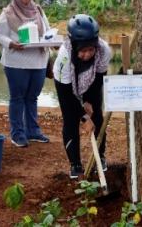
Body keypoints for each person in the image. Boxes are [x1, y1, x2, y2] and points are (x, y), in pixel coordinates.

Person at [53, 14, 111, 179]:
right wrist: (84, 117)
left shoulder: (104, 50)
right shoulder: (64, 56)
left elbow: (99, 79)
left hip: (91, 80)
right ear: (74, 45)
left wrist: (89, 102)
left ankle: (100, 156)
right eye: (83, 51)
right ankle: (75, 163)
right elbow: (67, 96)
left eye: (90, 49)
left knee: (98, 118)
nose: (87, 54)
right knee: (71, 119)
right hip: (66, 84)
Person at [0, 0, 51, 147]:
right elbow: (0, 35)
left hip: (38, 62)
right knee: (18, 98)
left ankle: (33, 131)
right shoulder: (8, 12)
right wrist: (11, 44)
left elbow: (47, 32)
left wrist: (50, 40)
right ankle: (17, 134)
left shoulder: (38, 11)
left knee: (32, 98)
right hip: (16, 62)